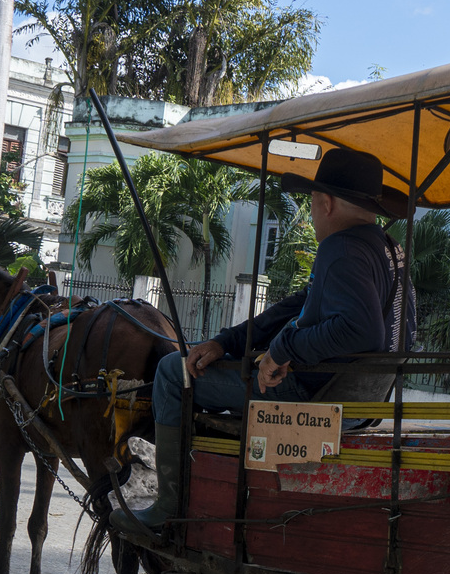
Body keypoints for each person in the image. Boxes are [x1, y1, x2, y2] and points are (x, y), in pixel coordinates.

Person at [111, 147, 411, 540]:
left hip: (315, 394)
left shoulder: (341, 248)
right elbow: (298, 306)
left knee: (171, 371)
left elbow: (361, 330)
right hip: (360, 398)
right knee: (213, 362)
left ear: (326, 202)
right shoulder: (386, 247)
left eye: (311, 202)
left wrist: (284, 351)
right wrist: (226, 341)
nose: (312, 212)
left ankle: (169, 505)